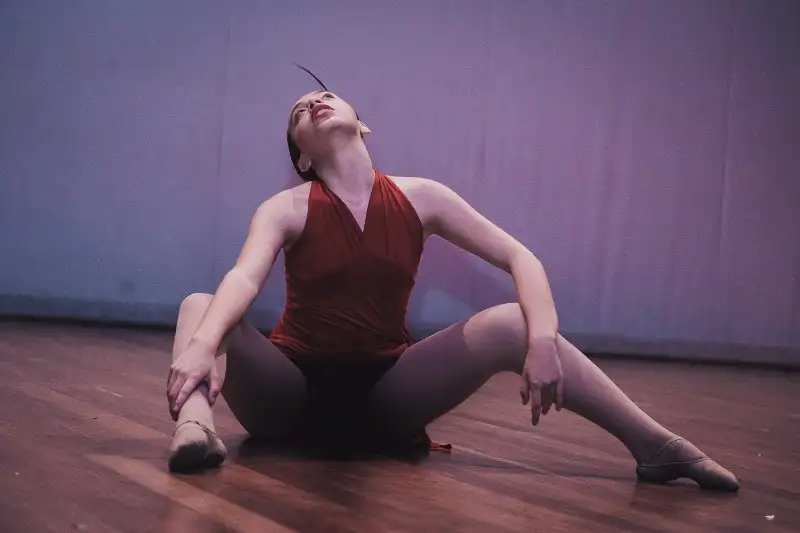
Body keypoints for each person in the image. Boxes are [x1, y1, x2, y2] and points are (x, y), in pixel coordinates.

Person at [165, 86, 739, 492]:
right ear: (302, 157)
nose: (314, 103)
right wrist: (205, 343)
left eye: (326, 96)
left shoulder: (423, 197)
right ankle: (195, 428)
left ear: (363, 125)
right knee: (200, 306)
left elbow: (520, 257)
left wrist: (542, 342)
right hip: (289, 397)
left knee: (511, 321)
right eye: (299, 111)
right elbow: (244, 278)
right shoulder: (284, 207)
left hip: (385, 397)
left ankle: (658, 449)